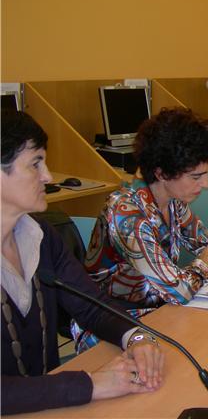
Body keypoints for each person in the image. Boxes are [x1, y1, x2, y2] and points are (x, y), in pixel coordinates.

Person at [80, 108, 208, 349]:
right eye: (195, 176)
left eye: (206, 174)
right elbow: (178, 289)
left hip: (160, 313)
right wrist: (204, 263)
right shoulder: (125, 214)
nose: (204, 185)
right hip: (114, 327)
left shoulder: (173, 202)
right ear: (161, 172)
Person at [1, 111, 164, 415]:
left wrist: (137, 337)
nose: (48, 176)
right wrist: (90, 384)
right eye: (36, 163)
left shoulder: (40, 237)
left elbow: (91, 305)